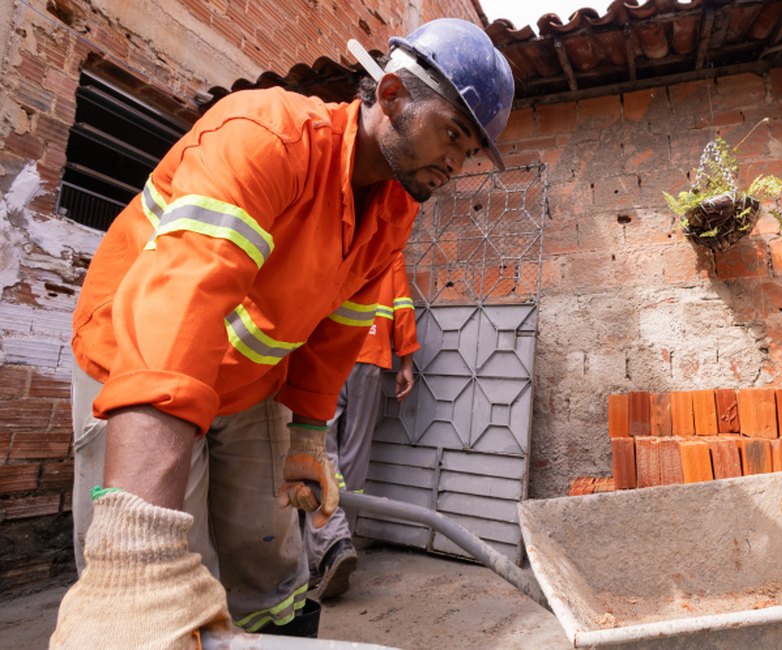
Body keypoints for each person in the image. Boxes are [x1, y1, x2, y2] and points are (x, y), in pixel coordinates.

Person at [50, 18, 513, 648]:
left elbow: (340, 326)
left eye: (471, 151)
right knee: (157, 581)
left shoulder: (395, 208)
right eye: (453, 134)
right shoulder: (265, 137)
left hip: (248, 385)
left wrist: (308, 436)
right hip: (137, 359)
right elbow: (180, 304)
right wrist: (139, 543)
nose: (457, 163)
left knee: (269, 559)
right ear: (393, 96)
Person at [306, 251, 419, 600]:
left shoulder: (338, 236)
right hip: (370, 359)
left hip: (328, 355)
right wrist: (407, 362)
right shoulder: (390, 251)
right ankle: (341, 541)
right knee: (355, 454)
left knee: (319, 449)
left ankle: (329, 544)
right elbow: (402, 304)